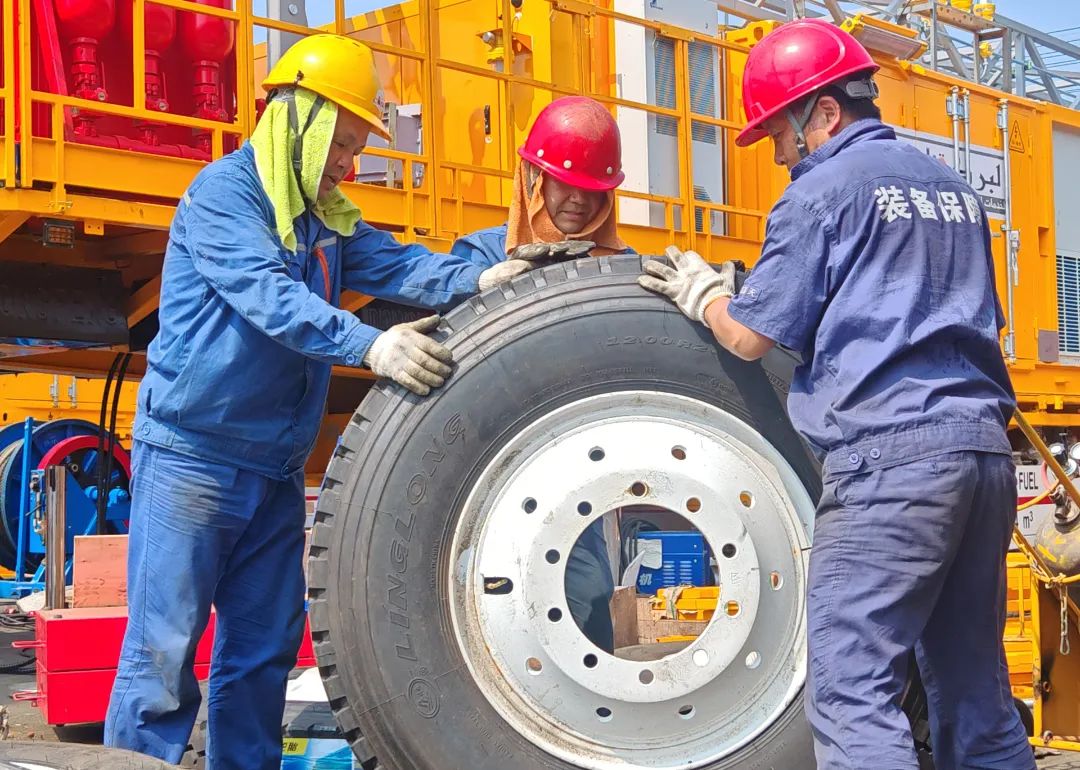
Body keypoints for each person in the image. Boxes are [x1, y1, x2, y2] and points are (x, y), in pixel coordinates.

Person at [103, 34, 535, 770]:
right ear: (295, 118)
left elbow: (397, 264)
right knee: (163, 652)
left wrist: (479, 280)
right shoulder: (224, 196)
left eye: (356, 147)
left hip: (272, 468)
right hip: (192, 460)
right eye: (341, 142)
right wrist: (370, 345)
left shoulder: (324, 218)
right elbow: (269, 298)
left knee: (262, 650)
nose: (347, 162)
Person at [638, 19, 1034, 770]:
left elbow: (750, 337)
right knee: (975, 692)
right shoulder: (955, 192)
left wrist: (707, 296)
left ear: (822, 112)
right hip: (983, 457)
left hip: (891, 464)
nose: (779, 155)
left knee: (854, 691)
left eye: (779, 135)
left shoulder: (821, 193)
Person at [452, 96, 631, 652]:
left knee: (589, 592)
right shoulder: (482, 257)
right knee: (496, 598)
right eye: (564, 183)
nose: (578, 200)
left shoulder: (618, 270)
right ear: (534, 179)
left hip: (577, 462)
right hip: (492, 457)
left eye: (592, 189)